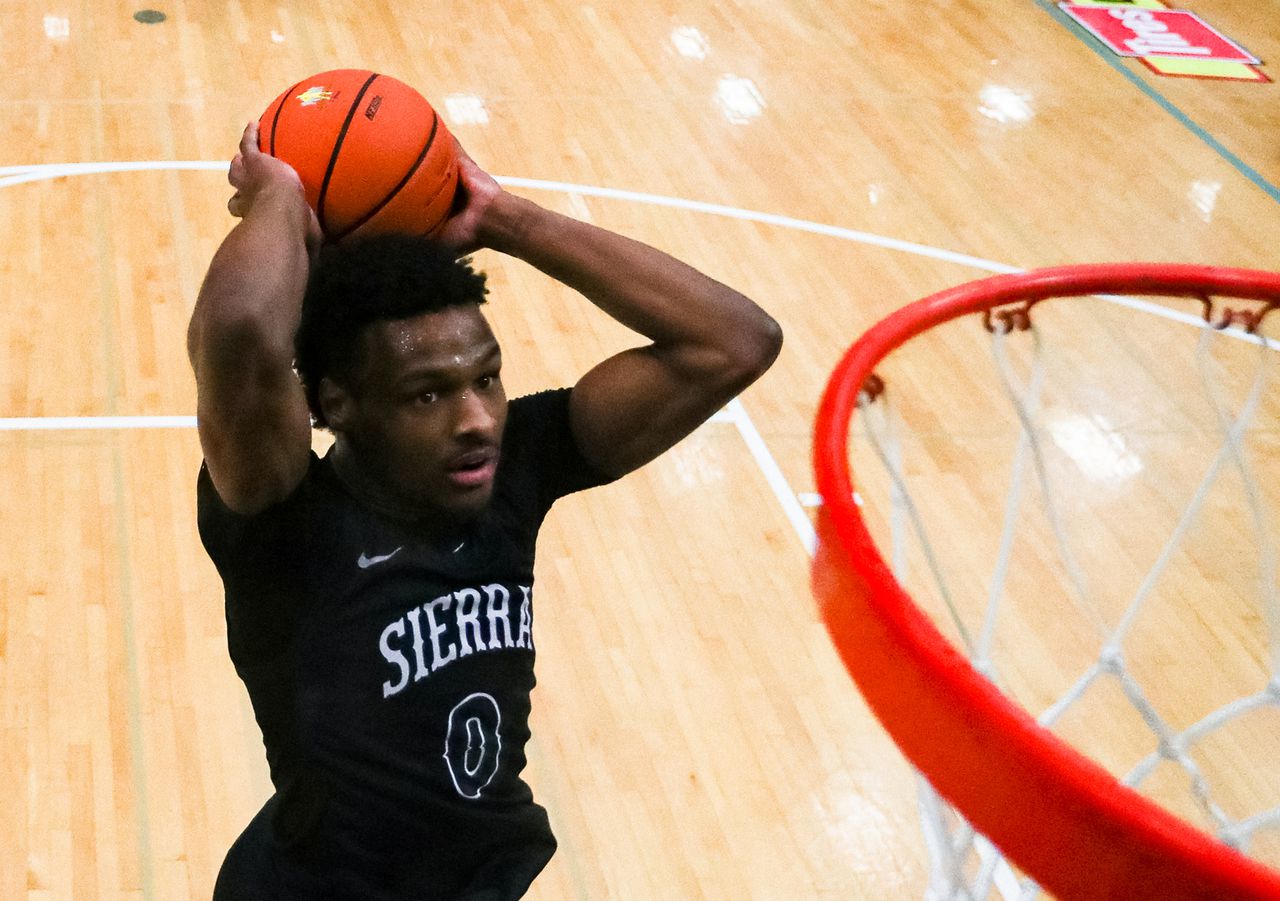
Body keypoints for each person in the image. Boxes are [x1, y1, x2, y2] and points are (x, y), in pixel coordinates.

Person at [188, 120, 782, 900]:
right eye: (428, 393)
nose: (476, 418)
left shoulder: (513, 468)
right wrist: (280, 197)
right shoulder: (283, 517)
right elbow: (237, 330)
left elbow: (735, 340)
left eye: (488, 378)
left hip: (483, 877)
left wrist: (505, 219)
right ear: (334, 403)